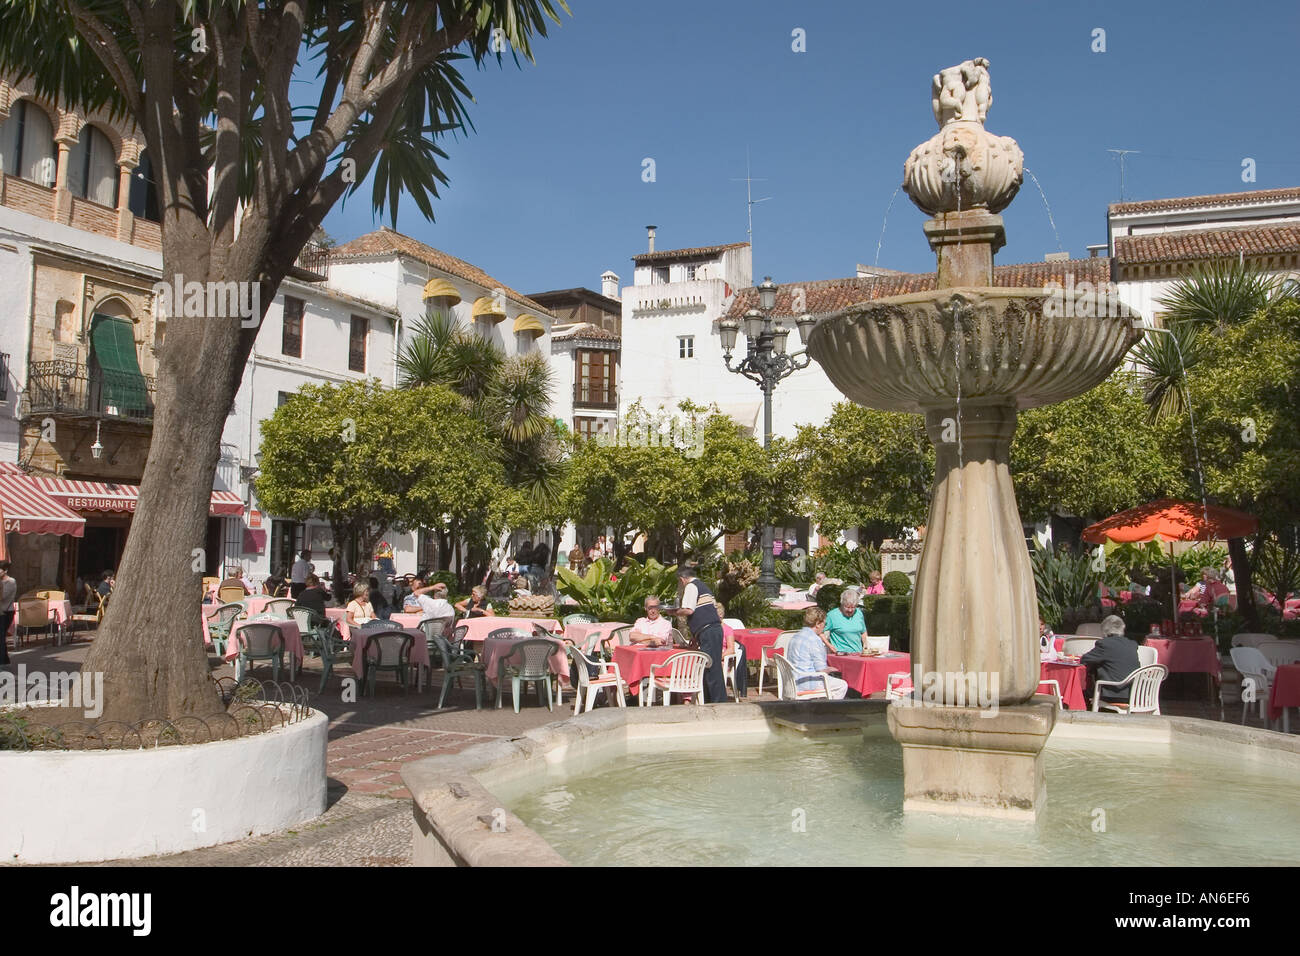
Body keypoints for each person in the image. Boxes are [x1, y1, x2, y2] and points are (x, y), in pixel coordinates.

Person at [672, 565, 726, 703]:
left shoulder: (691, 586)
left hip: (708, 631)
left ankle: (718, 702)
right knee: (710, 666)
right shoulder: (703, 586)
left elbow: (689, 610)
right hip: (711, 630)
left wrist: (673, 612)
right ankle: (711, 700)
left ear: (682, 579)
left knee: (711, 667)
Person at [786, 607, 849, 699]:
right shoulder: (814, 640)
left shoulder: (795, 636)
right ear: (818, 624)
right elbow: (821, 669)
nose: (825, 626)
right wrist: (837, 669)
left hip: (792, 681)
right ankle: (831, 711)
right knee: (842, 685)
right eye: (824, 623)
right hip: (807, 682)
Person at [1080, 614, 1141, 707]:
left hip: (1113, 693)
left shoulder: (1105, 644)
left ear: (1104, 630)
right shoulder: (1132, 644)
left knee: (1091, 671)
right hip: (1133, 692)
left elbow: (1084, 660)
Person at [824, 588, 867, 654]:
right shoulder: (832, 615)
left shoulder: (859, 613)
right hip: (841, 655)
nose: (850, 610)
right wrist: (829, 645)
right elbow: (820, 632)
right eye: (847, 607)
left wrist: (865, 644)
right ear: (842, 604)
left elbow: (863, 631)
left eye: (853, 607)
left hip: (858, 654)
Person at [0, 561, 16, 666]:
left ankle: (3, 660)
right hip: (1, 611)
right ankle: (5, 660)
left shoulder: (11, 582)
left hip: (7, 612)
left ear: (5, 570)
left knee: (1, 636)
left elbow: (3, 597)